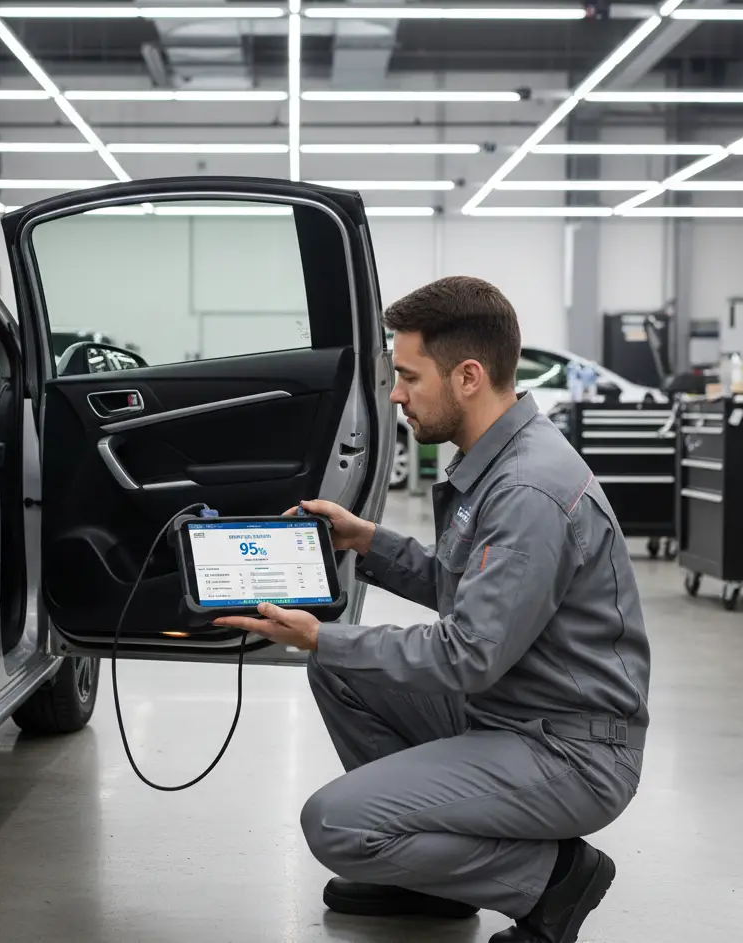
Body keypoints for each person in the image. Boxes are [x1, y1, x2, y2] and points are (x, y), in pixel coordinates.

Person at [215, 275, 650, 943]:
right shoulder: (500, 459)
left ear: (468, 376)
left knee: (335, 823)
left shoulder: (527, 489)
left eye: (409, 376)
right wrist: (368, 541)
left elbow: (469, 653)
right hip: (516, 709)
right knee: (343, 672)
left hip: (571, 750)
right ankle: (434, 880)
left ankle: (553, 881)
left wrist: (319, 635)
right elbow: (469, 589)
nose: (395, 394)